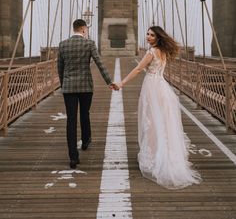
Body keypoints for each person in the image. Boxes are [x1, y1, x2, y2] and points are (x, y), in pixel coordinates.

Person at [115, 26, 201, 189]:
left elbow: (139, 68)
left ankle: (155, 157)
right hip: (162, 87)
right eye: (147, 33)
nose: (148, 36)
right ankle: (165, 155)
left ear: (157, 37)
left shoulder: (152, 52)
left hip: (152, 88)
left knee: (152, 122)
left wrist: (122, 83)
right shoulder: (163, 51)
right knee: (163, 122)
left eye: (151, 35)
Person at [57, 19, 117, 169]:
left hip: (68, 87)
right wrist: (109, 82)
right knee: (85, 113)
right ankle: (85, 140)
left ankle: (73, 157)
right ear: (83, 29)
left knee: (71, 120)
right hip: (86, 87)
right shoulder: (89, 44)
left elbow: (60, 67)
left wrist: (63, 83)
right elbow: (99, 63)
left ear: (74, 29)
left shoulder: (63, 44)